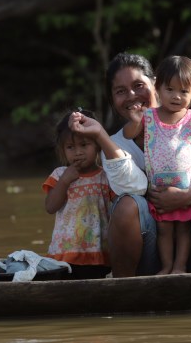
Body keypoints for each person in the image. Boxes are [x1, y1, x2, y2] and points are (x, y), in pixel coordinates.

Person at [69, 52, 191, 277]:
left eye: (139, 85)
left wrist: (190, 195)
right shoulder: (114, 145)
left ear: (155, 84)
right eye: (121, 92)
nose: (132, 96)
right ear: (113, 100)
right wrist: (102, 136)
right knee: (125, 206)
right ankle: (128, 292)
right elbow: (133, 187)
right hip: (151, 251)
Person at [122, 55, 191, 275]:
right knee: (163, 230)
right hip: (159, 191)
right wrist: (135, 119)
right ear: (157, 88)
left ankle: (180, 266)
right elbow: (129, 134)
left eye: (184, 91)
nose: (176, 96)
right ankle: (167, 265)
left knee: (183, 230)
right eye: (170, 89)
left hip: (186, 189)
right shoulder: (149, 117)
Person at [42, 109, 113, 279]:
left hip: (98, 252)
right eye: (70, 147)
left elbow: (118, 207)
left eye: (84, 145)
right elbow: (50, 207)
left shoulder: (106, 176)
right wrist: (65, 182)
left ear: (97, 145)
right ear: (63, 149)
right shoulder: (59, 175)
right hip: (65, 254)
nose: (78, 152)